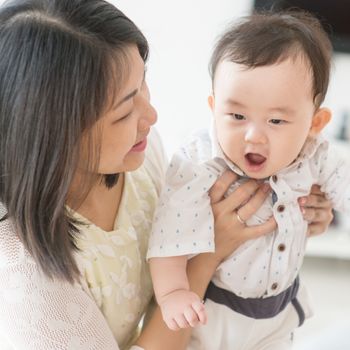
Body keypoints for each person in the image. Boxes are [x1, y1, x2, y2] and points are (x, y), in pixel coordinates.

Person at [0, 1, 333, 349]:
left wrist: (297, 211)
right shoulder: (21, 273)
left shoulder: (142, 156)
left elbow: (199, 213)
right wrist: (208, 257)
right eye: (125, 112)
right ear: (53, 135)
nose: (152, 116)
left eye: (143, 84)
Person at [147, 11, 349, 350]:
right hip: (213, 311)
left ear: (315, 123)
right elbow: (169, 235)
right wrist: (173, 293)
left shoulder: (316, 154)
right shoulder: (199, 164)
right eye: (237, 116)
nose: (253, 135)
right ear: (213, 107)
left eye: (276, 121)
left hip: (277, 312)